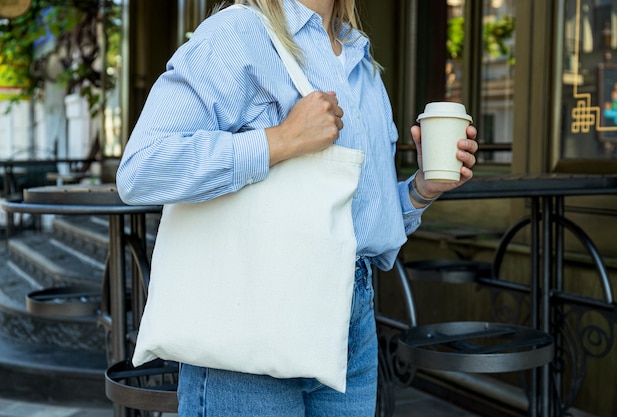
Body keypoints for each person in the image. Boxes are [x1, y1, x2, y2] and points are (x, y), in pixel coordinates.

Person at [116, 0, 478, 415]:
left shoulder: (360, 61)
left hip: (350, 318)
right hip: (250, 314)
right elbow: (142, 168)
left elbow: (356, 220)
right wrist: (281, 139)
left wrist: (420, 190)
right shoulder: (236, 33)